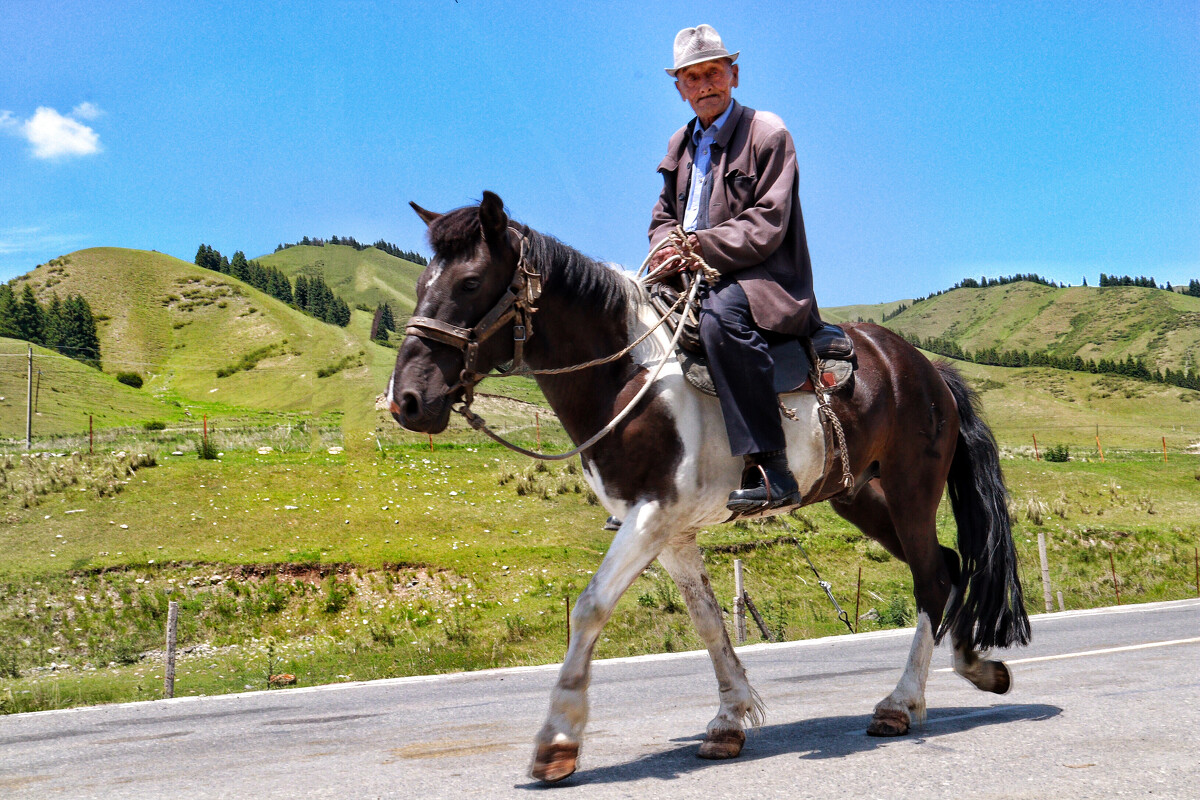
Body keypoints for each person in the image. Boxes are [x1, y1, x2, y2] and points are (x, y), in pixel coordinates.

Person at [648, 24, 825, 513]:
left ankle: (771, 469)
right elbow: (662, 217)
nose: (705, 84)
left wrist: (697, 246)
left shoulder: (768, 132)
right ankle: (649, 471)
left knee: (721, 319)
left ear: (735, 74)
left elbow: (768, 222)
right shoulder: (679, 145)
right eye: (692, 77)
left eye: (713, 72)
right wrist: (667, 250)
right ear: (679, 87)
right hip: (691, 275)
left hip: (764, 277)